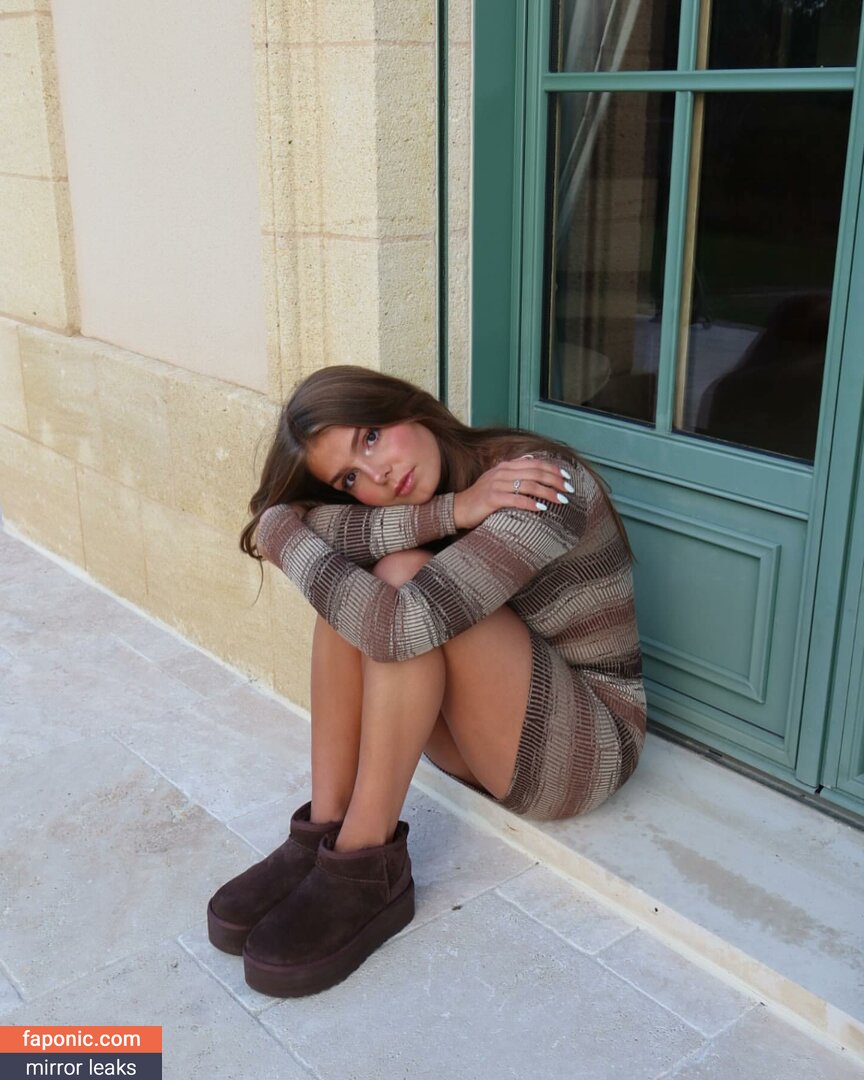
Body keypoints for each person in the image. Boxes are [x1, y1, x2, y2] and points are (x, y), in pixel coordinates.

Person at [206, 365, 646, 998]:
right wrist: (454, 510)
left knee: (393, 591)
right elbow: (318, 526)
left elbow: (393, 624)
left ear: (408, 406)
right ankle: (325, 829)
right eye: (349, 479)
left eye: (370, 437)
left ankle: (364, 863)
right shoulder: (439, 496)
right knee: (358, 588)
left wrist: (280, 530)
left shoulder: (541, 483)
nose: (378, 475)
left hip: (585, 750)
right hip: (488, 736)